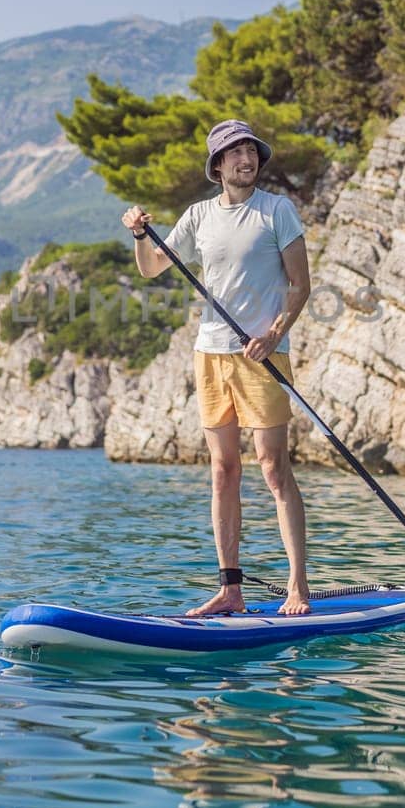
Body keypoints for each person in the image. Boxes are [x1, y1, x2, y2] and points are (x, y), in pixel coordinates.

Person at [121, 118, 313, 616]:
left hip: (262, 357)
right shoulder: (199, 215)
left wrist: (273, 334)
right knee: (223, 472)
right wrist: (141, 234)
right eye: (235, 153)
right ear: (219, 165)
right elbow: (151, 268)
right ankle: (230, 588)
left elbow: (300, 285)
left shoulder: (277, 210)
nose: (246, 159)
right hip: (210, 355)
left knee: (273, 469)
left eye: (251, 150)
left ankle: (298, 586)